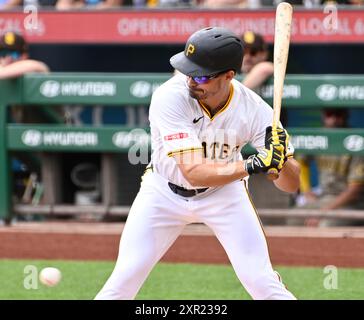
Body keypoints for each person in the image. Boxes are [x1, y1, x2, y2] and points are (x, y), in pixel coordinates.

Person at [95, 27, 300, 300]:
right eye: (188, 71)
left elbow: (291, 185)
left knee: (262, 282)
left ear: (229, 76)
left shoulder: (256, 110)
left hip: (225, 195)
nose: (192, 81)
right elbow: (194, 173)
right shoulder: (170, 96)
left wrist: (280, 162)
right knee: (122, 281)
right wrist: (253, 164)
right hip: (163, 193)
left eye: (202, 75)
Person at [297, 108, 364, 227]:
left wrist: (324, 212)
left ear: (345, 115)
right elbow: (300, 162)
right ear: (323, 116)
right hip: (324, 198)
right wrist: (306, 190)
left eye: (338, 114)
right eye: (329, 114)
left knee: (325, 224)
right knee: (292, 218)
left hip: (350, 204)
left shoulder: (356, 140)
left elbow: (354, 190)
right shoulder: (319, 136)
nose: (333, 119)